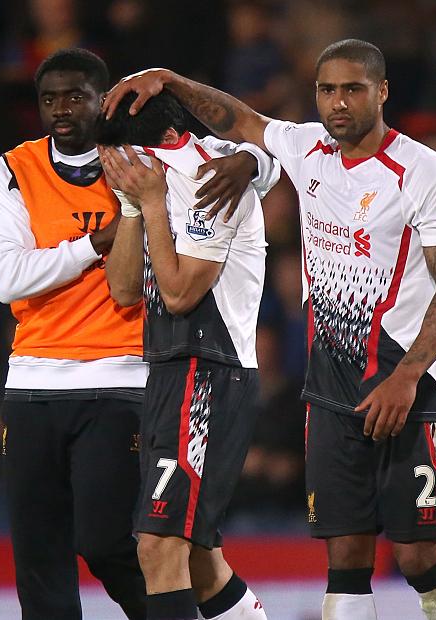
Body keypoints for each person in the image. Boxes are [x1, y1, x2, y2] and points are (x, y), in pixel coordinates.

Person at [103, 38, 436, 620]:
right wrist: (172, 80)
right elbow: (244, 121)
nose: (338, 102)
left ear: (382, 92)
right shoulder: (309, 151)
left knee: (418, 557)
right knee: (345, 557)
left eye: (352, 89)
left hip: (407, 385)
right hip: (328, 389)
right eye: (327, 89)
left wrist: (407, 379)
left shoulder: (425, 171)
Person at [0, 47, 278, 620]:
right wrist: (118, 225)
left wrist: (253, 162)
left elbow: (178, 290)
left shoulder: (180, 172)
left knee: (137, 544)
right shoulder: (23, 170)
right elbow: (17, 278)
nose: (63, 111)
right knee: (166, 553)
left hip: (154, 375)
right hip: (47, 376)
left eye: (77, 98)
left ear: (107, 104)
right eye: (49, 100)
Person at [96, 89, 274, 619]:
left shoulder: (209, 179)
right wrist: (132, 206)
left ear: (169, 140)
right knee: (198, 561)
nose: (120, 168)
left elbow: (178, 294)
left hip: (211, 373)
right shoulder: (150, 181)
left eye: (128, 155)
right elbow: (126, 291)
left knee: (158, 546)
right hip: (170, 372)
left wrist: (150, 202)